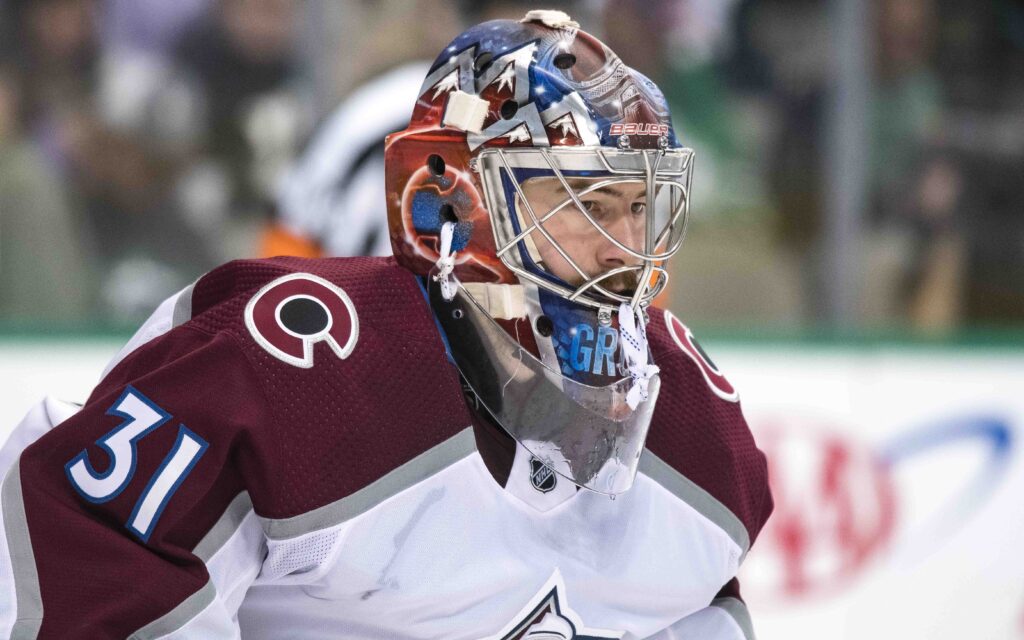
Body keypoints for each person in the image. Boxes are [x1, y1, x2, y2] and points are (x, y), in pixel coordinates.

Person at [0, 11, 771, 639]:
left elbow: (693, 608)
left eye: (641, 207)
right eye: (585, 206)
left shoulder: (697, 436)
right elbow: (89, 536)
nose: (622, 251)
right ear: (454, 201)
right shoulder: (293, 365)